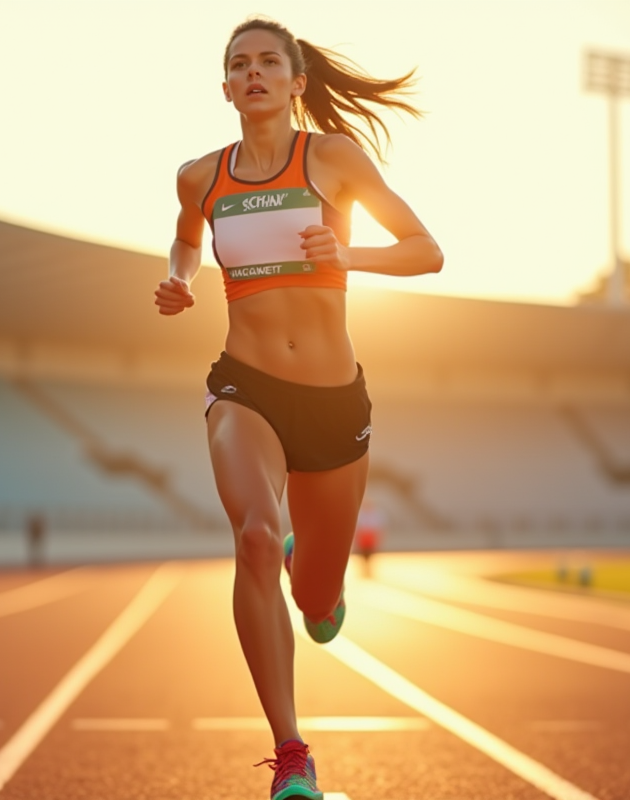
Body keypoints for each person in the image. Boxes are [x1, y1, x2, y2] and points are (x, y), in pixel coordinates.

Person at [154, 18, 442, 800]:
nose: (253, 74)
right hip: (244, 386)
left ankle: (316, 580)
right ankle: (291, 754)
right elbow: (186, 241)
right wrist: (179, 277)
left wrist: (350, 253)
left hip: (334, 404)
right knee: (252, 534)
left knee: (315, 598)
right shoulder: (199, 177)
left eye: (267, 63)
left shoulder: (333, 159)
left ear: (295, 82)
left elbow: (426, 249)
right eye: (238, 65)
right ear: (225, 87)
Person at [353, 500, 386, 578]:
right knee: (363, 554)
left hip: (370, 537)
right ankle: (365, 569)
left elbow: (379, 527)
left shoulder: (375, 514)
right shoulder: (361, 515)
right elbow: (358, 527)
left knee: (370, 555)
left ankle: (368, 569)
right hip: (363, 537)